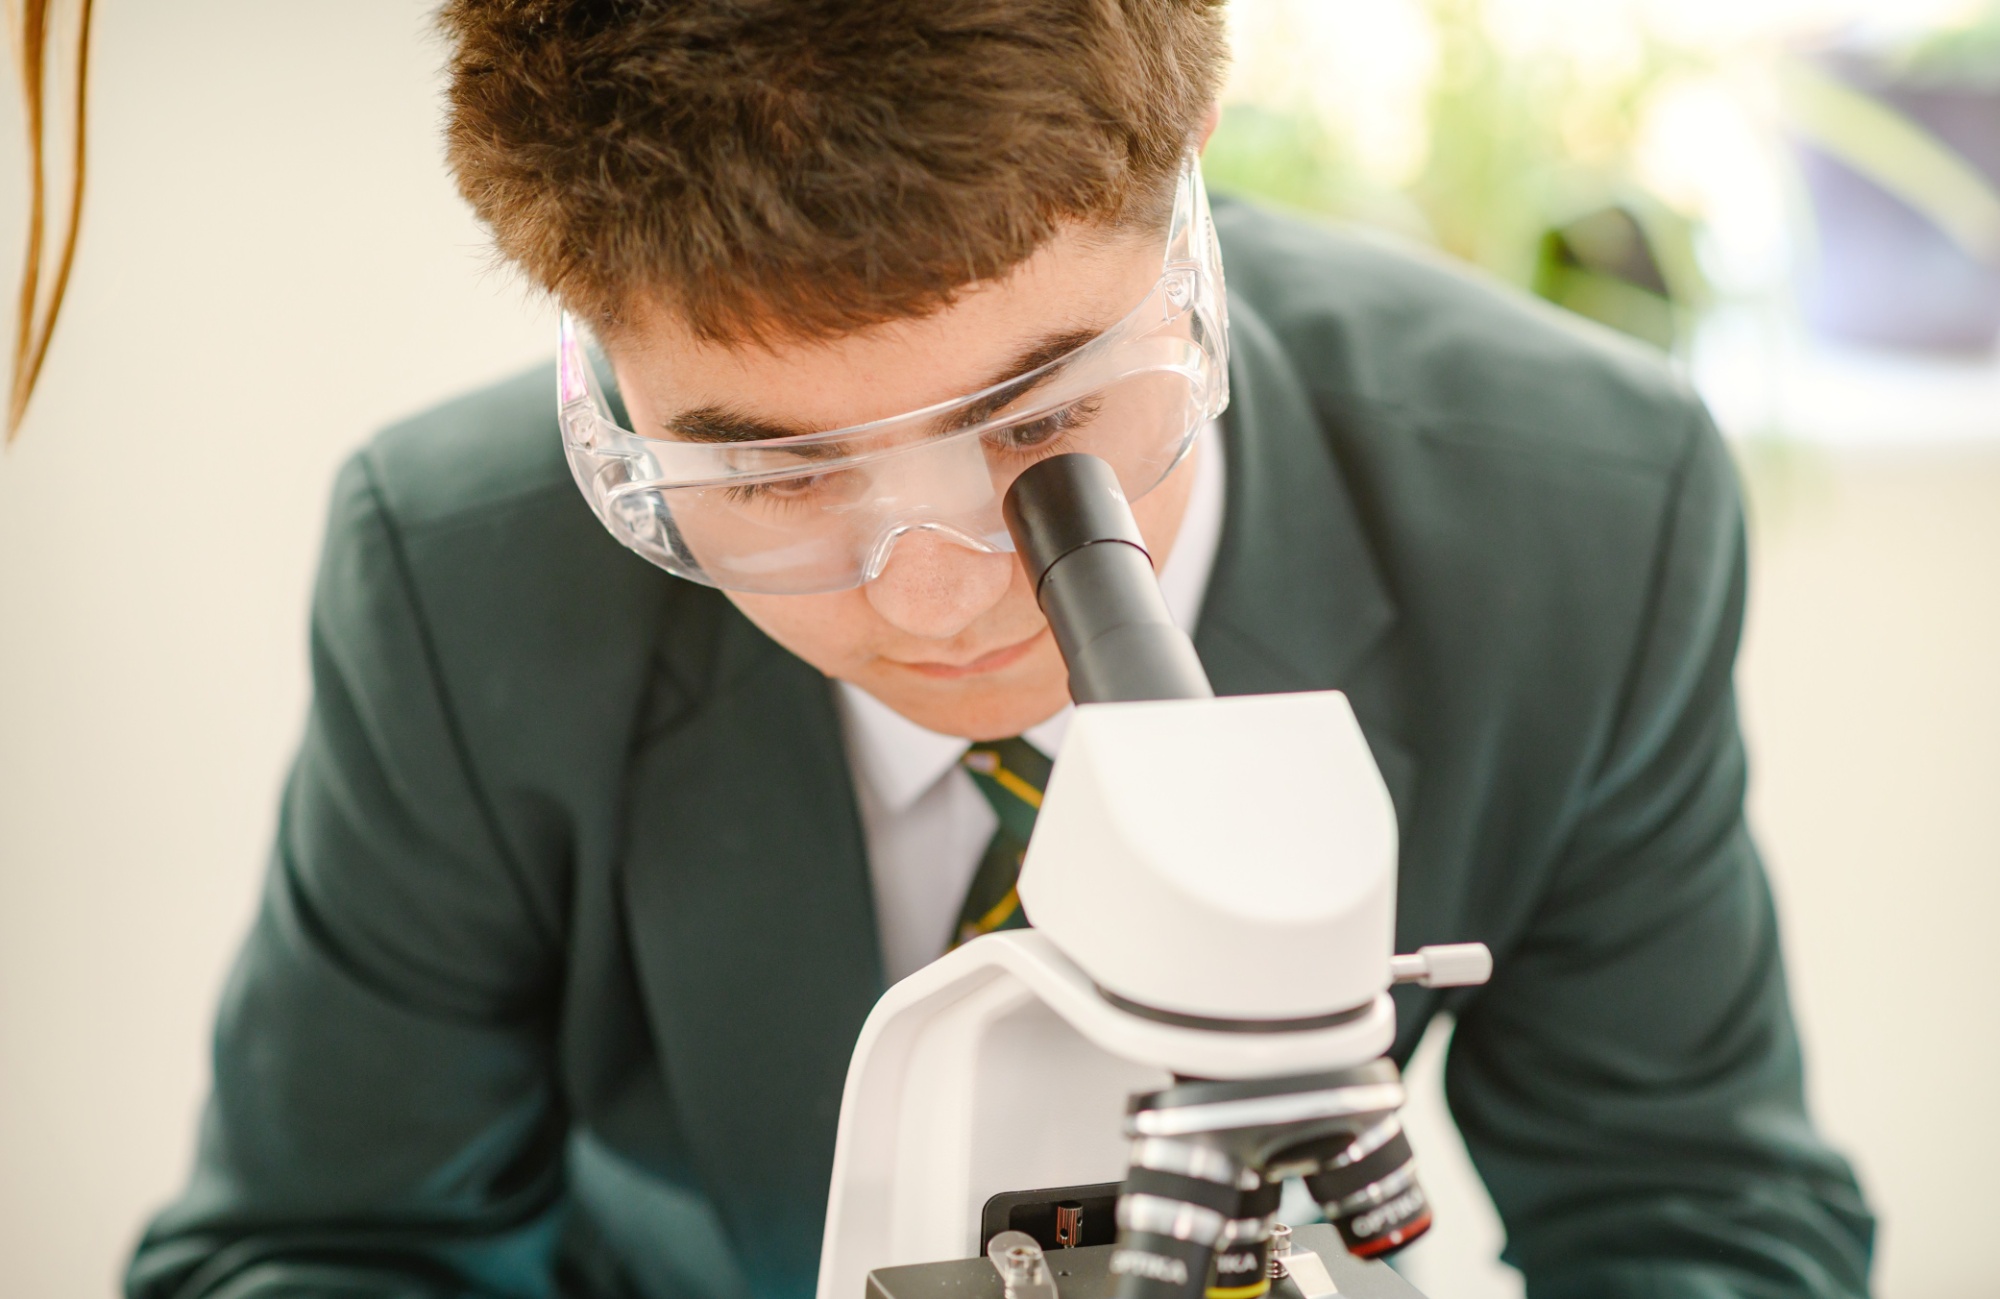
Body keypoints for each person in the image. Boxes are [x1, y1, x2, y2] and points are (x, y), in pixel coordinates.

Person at [127, 3, 1874, 1297]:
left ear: (1187, 250)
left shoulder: (1576, 510)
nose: (945, 593)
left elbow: (1700, 1218)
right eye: (774, 474)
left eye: (1042, 420)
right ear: (604, 396)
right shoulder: (457, 579)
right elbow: (319, 1244)